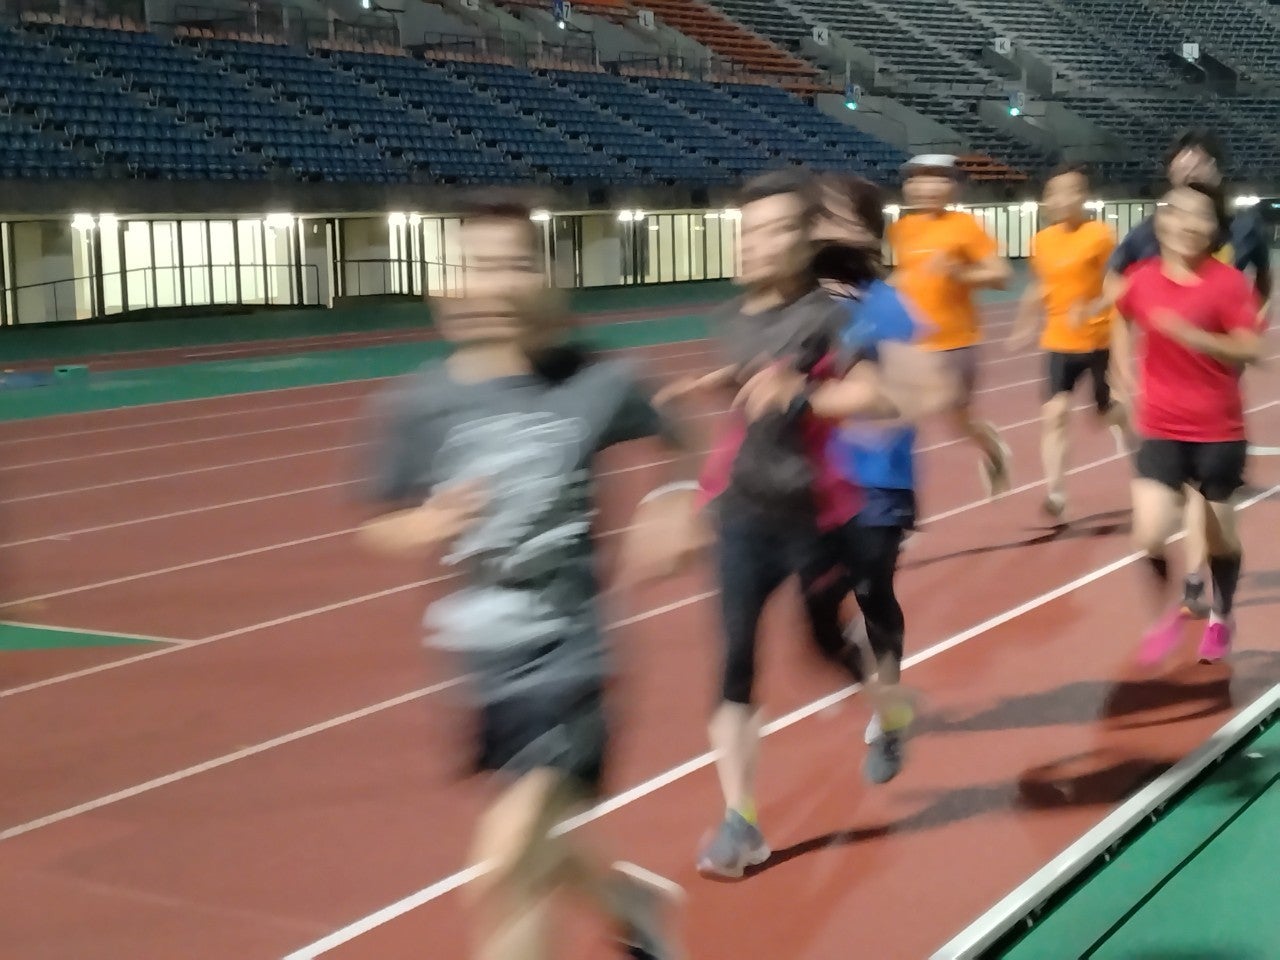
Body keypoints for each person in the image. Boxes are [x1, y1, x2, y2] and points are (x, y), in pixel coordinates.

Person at [357, 193, 701, 960]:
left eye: (514, 264)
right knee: (537, 846)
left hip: (571, 654)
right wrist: (423, 526)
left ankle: (627, 905)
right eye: (479, 265)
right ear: (451, 281)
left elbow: (680, 433)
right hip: (482, 660)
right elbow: (378, 522)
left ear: (544, 277)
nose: (497, 282)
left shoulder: (594, 380)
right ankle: (631, 902)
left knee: (504, 866)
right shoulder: (418, 403)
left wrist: (675, 501)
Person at [660, 171, 954, 880]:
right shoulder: (733, 319)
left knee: (824, 644)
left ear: (802, 240)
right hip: (744, 516)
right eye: (749, 231)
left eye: (775, 231)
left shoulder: (831, 315)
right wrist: (718, 392)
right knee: (735, 662)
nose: (757, 244)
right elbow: (751, 392)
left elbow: (875, 396)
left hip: (816, 516)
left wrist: (803, 393)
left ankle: (889, 709)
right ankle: (741, 822)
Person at [1104, 130, 1272, 618]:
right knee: (1165, 508)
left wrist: (1251, 319)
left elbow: (1262, 280)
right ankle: (1189, 567)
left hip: (1217, 370)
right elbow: (1118, 284)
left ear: (1218, 170)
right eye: (1184, 161)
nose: (1192, 168)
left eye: (1201, 162)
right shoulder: (1149, 231)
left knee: (1204, 486)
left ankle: (1197, 577)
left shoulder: (1243, 228)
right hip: (1165, 378)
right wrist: (1119, 364)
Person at [807, 172, 921, 778]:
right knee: (818, 610)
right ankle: (878, 686)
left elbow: (909, 391)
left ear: (865, 232)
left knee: (873, 591)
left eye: (837, 216)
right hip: (812, 480)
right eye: (818, 216)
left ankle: (889, 711)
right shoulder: (801, 304)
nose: (823, 227)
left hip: (878, 478)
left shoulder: (887, 306)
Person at [1010, 164, 1135, 519]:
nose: (1061, 199)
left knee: (1105, 413)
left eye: (1070, 191)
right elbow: (1040, 286)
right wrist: (1024, 323)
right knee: (1054, 414)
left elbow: (1118, 284)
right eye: (1053, 193)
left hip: (1097, 341)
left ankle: (1126, 425)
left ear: (1083, 196)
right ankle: (1056, 493)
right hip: (1058, 342)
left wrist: (1095, 306)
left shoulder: (1100, 235)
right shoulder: (1041, 241)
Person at [889, 154, 1014, 498]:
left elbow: (1001, 275)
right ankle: (894, 498)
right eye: (918, 179)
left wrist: (958, 272)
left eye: (938, 179)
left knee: (956, 423)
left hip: (956, 341)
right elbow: (908, 273)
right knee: (894, 416)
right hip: (912, 342)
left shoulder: (965, 226)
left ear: (952, 187)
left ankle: (992, 448)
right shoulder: (902, 229)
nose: (927, 187)